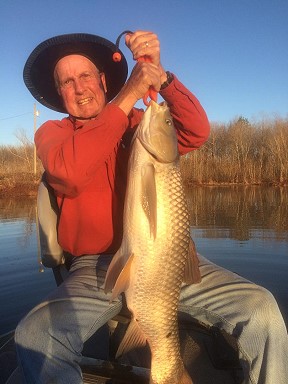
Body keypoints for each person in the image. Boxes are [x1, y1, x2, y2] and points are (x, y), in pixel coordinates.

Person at [15, 30, 287, 384]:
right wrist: (129, 94)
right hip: (96, 268)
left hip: (168, 259)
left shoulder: (136, 123)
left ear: (101, 80)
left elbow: (196, 131)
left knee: (262, 309)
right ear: (59, 93)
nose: (79, 87)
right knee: (35, 335)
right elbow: (71, 173)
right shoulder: (54, 133)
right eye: (67, 81)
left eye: (85, 76)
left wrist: (163, 77)